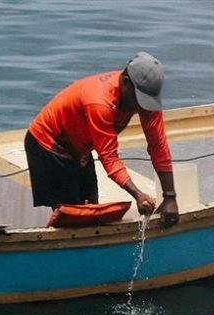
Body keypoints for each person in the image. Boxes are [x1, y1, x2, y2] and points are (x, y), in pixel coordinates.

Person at [24, 52, 179, 228]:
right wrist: (137, 194)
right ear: (126, 83)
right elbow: (109, 157)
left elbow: (158, 146)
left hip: (80, 147)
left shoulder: (146, 99)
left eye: (147, 102)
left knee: (90, 209)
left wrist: (170, 197)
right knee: (72, 217)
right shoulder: (101, 102)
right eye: (139, 101)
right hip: (48, 144)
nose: (141, 108)